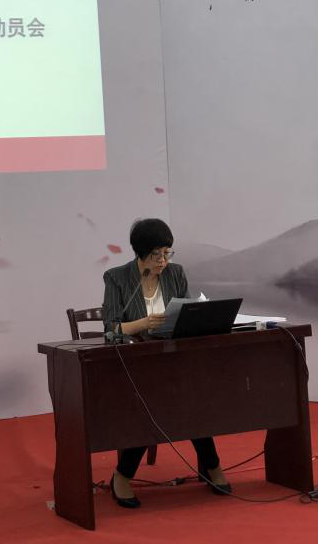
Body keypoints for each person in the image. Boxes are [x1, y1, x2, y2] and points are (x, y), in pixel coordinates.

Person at [101, 217, 232, 508]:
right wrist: (144, 323)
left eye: (166, 253)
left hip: (174, 363)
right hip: (135, 366)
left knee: (191, 398)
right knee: (156, 402)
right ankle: (122, 476)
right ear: (140, 253)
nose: (163, 261)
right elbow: (110, 329)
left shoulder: (175, 273)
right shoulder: (117, 278)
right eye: (156, 255)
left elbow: (188, 314)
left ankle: (211, 465)